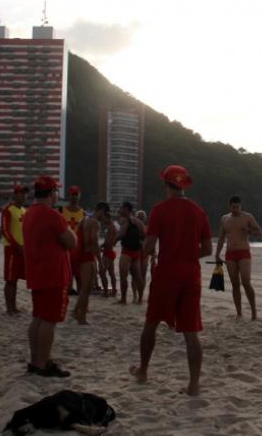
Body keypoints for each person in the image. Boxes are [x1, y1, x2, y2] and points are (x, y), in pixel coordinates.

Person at [130, 165, 212, 396]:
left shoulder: (159, 210)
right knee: (191, 331)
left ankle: (143, 370)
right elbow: (207, 248)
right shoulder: (198, 211)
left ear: (166, 184)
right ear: (184, 185)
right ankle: (193, 384)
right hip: (190, 274)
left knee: (151, 322)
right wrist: (186, 254)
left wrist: (157, 252)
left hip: (166, 272)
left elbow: (147, 246)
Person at [23, 175, 77, 377]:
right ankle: (43, 363)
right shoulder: (51, 215)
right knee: (49, 320)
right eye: (56, 192)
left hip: (37, 273)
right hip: (53, 274)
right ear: (52, 193)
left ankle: (35, 360)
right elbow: (72, 242)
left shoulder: (29, 213)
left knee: (38, 318)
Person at [215, 195, 262, 320]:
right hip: (230, 254)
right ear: (230, 206)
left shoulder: (247, 217)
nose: (236, 209)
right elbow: (221, 238)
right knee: (235, 284)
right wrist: (217, 254)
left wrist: (249, 231)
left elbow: (260, 233)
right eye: (233, 207)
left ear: (241, 206)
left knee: (246, 282)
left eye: (238, 207)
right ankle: (239, 313)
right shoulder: (225, 218)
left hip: (244, 252)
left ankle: (253, 312)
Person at [1, 183, 28, 315]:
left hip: (22, 250)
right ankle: (9, 308)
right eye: (21, 193)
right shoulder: (8, 210)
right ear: (15, 195)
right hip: (11, 249)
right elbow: (5, 230)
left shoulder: (24, 211)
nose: (24, 196)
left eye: (25, 193)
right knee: (10, 279)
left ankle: (14, 307)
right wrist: (17, 245)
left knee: (16, 279)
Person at [72, 207, 101, 325]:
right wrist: (100, 260)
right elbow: (93, 241)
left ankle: (75, 312)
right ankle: (81, 317)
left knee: (85, 288)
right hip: (87, 256)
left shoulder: (85, 219)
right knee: (86, 289)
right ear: (102, 211)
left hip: (81, 255)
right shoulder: (94, 222)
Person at [118, 202, 147, 304]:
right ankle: (140, 299)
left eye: (121, 208)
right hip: (137, 252)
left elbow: (121, 234)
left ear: (126, 209)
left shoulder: (125, 220)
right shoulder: (138, 222)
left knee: (123, 276)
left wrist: (113, 240)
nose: (119, 210)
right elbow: (145, 234)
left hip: (127, 251)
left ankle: (123, 299)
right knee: (138, 277)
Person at [60, 186, 86, 295]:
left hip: (79, 247)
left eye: (76, 194)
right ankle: (68, 290)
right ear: (69, 195)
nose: (74, 197)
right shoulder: (62, 210)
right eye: (72, 194)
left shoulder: (83, 213)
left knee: (79, 274)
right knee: (66, 272)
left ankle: (80, 293)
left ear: (79, 196)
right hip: (65, 246)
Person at [97, 204, 119, 297]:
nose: (103, 222)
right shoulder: (112, 226)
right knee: (111, 273)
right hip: (110, 252)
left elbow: (108, 243)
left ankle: (106, 291)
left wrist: (100, 247)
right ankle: (113, 290)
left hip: (108, 253)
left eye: (103, 220)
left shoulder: (111, 228)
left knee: (102, 272)